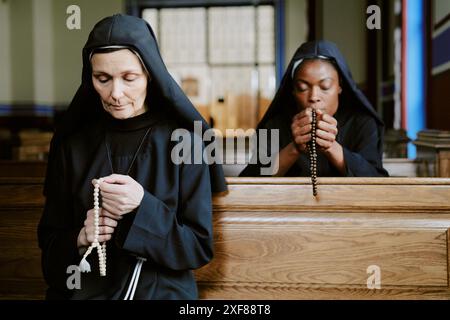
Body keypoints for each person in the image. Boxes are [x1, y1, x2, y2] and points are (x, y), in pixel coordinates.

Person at [37, 14, 227, 300]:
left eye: (129, 78)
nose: (115, 93)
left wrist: (141, 206)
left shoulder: (186, 142)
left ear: (149, 73)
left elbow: (196, 249)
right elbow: (49, 248)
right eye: (102, 79)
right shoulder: (71, 145)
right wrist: (79, 237)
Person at [240, 40, 388, 177]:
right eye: (303, 88)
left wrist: (331, 147)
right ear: (293, 90)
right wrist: (294, 148)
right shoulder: (274, 125)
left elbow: (376, 180)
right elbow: (251, 182)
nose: (314, 96)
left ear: (340, 86)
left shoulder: (362, 123)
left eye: (325, 87)